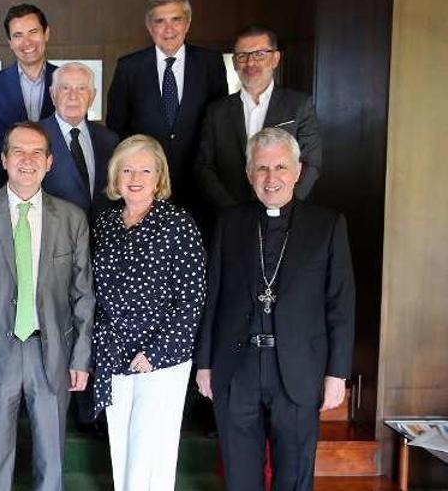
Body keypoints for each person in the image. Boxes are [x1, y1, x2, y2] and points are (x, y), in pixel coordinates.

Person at [195, 128, 354, 491]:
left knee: (295, 477)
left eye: (280, 167)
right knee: (240, 477)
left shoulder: (327, 225)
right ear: (250, 174)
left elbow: (341, 304)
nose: (271, 178)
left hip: (299, 370)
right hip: (238, 368)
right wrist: (205, 363)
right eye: (262, 168)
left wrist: (337, 373)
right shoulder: (229, 222)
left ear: (298, 171)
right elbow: (213, 295)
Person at [0, 122, 95, 491]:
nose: (27, 160)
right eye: (18, 151)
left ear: (49, 162)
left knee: (52, 462)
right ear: (3, 159)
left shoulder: (72, 218)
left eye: (37, 153)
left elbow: (83, 294)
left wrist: (80, 358)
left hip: (52, 352)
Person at [91, 134, 205, 491]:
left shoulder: (178, 224)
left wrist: (154, 353)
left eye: (145, 170)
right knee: (122, 450)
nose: (135, 177)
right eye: (127, 169)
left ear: (159, 178)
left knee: (149, 454)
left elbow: (192, 298)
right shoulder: (105, 224)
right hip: (114, 354)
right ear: (115, 176)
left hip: (160, 360)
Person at [106, 0, 226, 211]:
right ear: (149, 27)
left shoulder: (211, 63)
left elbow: (219, 122)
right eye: (160, 21)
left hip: (199, 186)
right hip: (145, 189)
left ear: (187, 23)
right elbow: (117, 127)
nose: (168, 28)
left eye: (176, 20)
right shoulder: (129, 67)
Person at [195, 25, 322, 212]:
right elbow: (204, 167)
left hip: (289, 216)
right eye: (242, 56)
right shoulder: (216, 111)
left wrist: (285, 207)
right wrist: (231, 210)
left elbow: (311, 163)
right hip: (231, 216)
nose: (250, 63)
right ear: (235, 62)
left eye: (260, 54)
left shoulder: (299, 105)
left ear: (275, 58)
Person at [0, 3, 57, 193]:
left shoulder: (64, 83)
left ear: (46, 33)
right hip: (5, 186)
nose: (27, 42)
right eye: (18, 35)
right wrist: (13, 169)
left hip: (56, 187)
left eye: (33, 32)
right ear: (10, 42)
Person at [40, 61, 119, 217]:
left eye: (81, 88)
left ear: (92, 96)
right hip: (55, 236)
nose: (73, 96)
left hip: (101, 236)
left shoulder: (109, 140)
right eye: (65, 88)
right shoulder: (35, 136)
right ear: (52, 94)